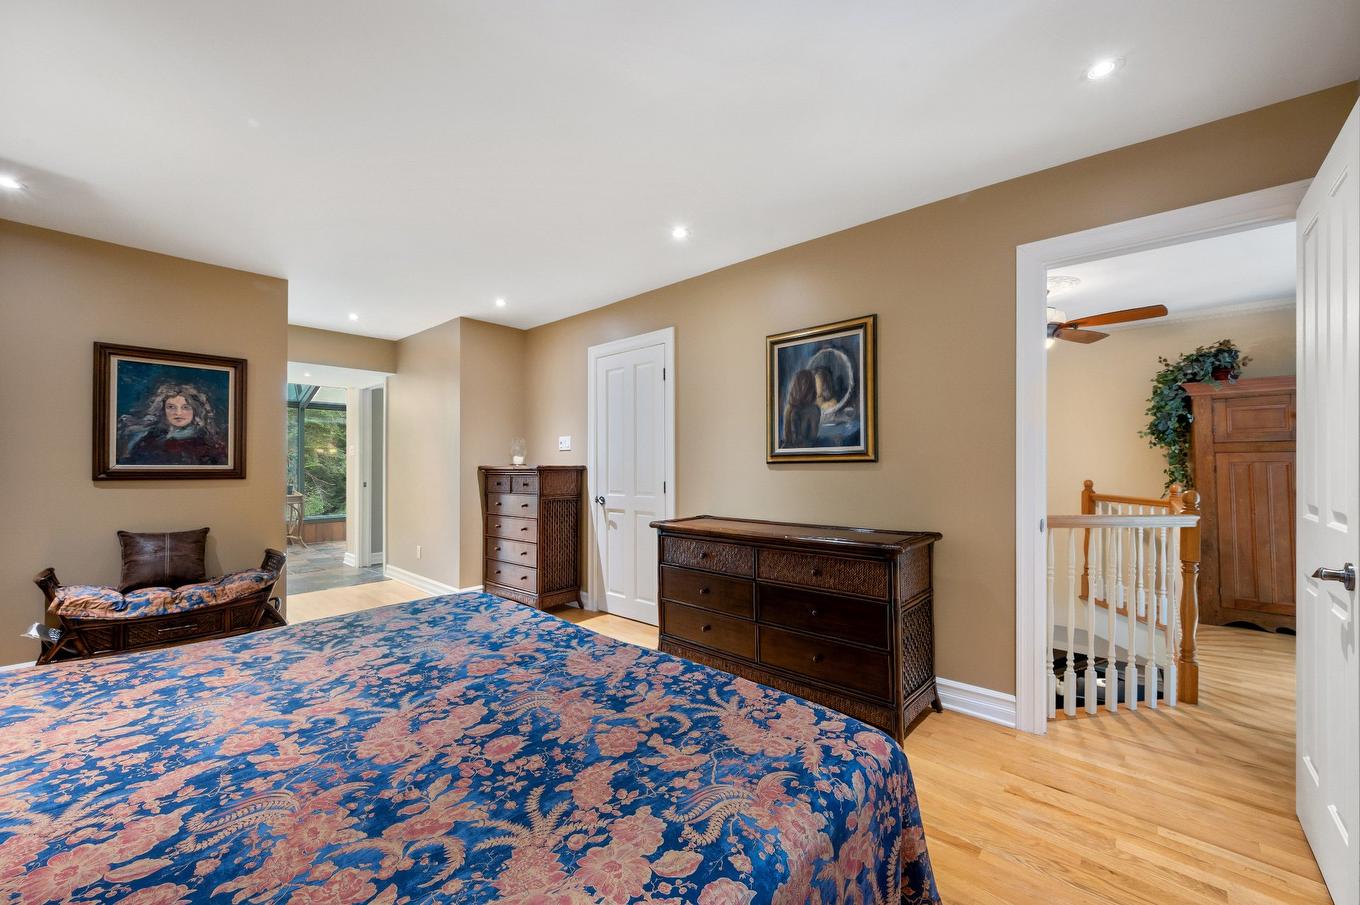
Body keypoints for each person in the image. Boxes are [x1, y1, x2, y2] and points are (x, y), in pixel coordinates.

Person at [119, 383, 228, 466]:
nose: (178, 413)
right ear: (163, 410)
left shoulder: (208, 445)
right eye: (171, 407)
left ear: (196, 411)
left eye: (185, 407)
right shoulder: (149, 439)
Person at [780, 369, 822, 449]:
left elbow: (791, 439)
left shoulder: (790, 409)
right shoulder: (815, 410)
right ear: (811, 387)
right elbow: (811, 438)